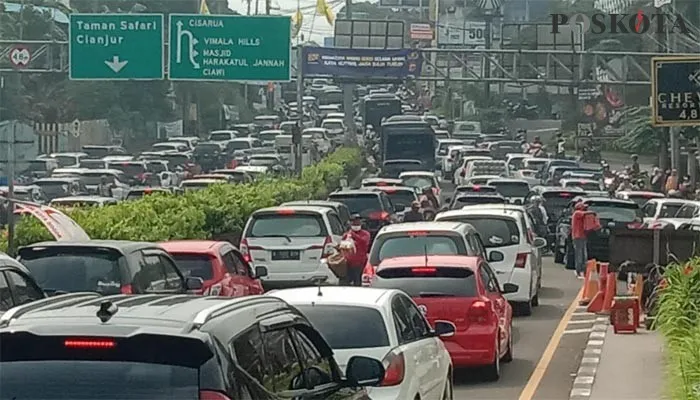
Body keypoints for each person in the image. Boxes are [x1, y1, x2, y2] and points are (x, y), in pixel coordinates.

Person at [342, 214, 370, 286]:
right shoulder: (346, 235)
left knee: (358, 282)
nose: (356, 224)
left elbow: (364, 242)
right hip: (348, 264)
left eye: (358, 222)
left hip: (360, 264)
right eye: (354, 222)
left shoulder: (365, 234)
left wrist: (354, 235)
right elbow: (343, 246)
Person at [571, 202, 589, 279]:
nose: (585, 209)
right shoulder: (577, 213)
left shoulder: (578, 214)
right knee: (580, 255)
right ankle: (579, 271)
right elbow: (585, 214)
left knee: (583, 255)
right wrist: (593, 212)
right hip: (578, 237)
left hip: (581, 236)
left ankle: (581, 270)